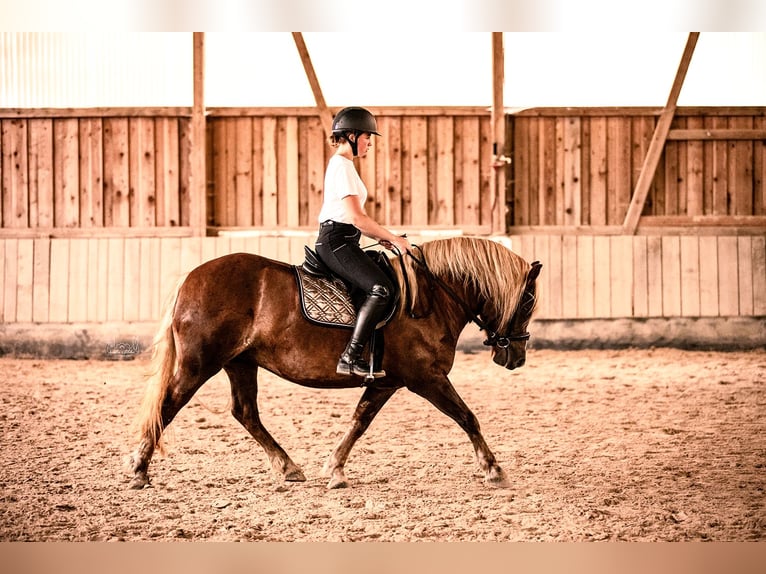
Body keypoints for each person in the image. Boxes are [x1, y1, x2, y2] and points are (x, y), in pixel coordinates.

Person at [315, 107, 413, 379]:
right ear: (352, 135)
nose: (370, 142)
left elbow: (356, 221)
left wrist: (384, 239)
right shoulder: (342, 167)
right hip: (336, 242)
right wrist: (391, 237)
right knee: (380, 289)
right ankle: (350, 356)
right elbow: (357, 218)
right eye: (368, 136)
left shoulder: (345, 166)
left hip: (345, 239)